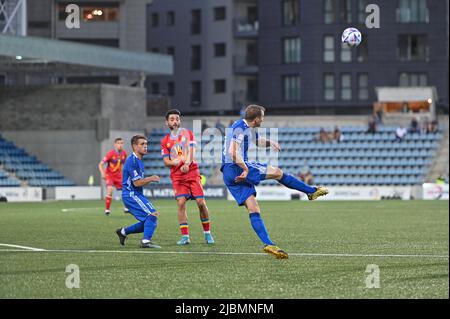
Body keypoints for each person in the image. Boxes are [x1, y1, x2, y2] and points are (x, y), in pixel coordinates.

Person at [221, 105, 328, 259]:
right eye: (262, 117)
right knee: (277, 172)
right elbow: (232, 152)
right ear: (257, 118)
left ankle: (269, 244)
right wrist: (244, 168)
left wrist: (270, 142)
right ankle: (311, 192)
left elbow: (257, 141)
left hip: (228, 173)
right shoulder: (240, 128)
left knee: (253, 208)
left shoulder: (245, 127)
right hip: (237, 167)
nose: (263, 120)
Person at [161, 109, 215, 245]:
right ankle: (185, 237)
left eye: (177, 119)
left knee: (201, 203)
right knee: (180, 203)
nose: (175, 121)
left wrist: (186, 163)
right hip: (177, 176)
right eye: (172, 119)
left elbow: (192, 151)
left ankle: (207, 233)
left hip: (192, 172)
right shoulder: (165, 141)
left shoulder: (188, 134)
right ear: (167, 122)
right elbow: (166, 161)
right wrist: (173, 162)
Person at [115, 135, 161, 248]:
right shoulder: (132, 161)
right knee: (152, 215)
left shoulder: (139, 161)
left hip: (136, 194)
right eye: (142, 144)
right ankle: (145, 242)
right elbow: (136, 183)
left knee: (150, 221)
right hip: (131, 195)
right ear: (134, 146)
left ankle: (123, 232)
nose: (145, 146)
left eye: (146, 144)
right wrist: (151, 178)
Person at [98, 137, 128, 216]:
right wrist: (102, 173)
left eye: (121, 143)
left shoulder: (124, 154)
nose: (120, 145)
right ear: (115, 145)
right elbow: (100, 164)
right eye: (118, 143)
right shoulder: (111, 154)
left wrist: (124, 174)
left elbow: (123, 165)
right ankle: (107, 209)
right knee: (110, 190)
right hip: (110, 175)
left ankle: (127, 208)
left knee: (126, 189)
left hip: (118, 176)